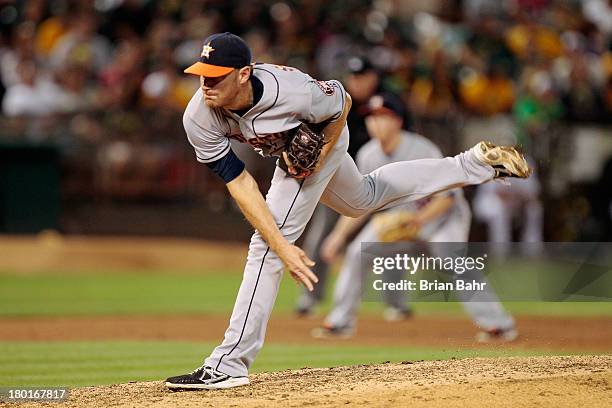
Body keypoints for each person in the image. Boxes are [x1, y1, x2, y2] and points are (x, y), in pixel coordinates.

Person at [165, 32, 530, 390]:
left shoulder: (291, 91)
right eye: (201, 73)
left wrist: (320, 155)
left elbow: (342, 102)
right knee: (363, 199)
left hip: (324, 141)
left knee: (264, 251)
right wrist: (283, 242)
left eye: (215, 76)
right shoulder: (198, 116)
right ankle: (473, 165)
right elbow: (240, 183)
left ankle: (228, 364)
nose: (204, 84)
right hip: (296, 156)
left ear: (244, 73)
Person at [311, 92, 517, 342]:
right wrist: (338, 236)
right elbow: (359, 204)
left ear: (398, 121)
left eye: (383, 117)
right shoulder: (368, 154)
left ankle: (498, 324)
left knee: (452, 260)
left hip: (443, 218)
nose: (375, 122)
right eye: (371, 117)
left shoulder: (421, 148)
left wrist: (418, 222)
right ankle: (341, 322)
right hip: (404, 219)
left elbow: (448, 197)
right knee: (357, 252)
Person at [295, 56, 385, 317]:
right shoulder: (339, 100)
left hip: (379, 180)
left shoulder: (389, 103)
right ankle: (310, 298)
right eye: (353, 76)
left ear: (373, 78)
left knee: (387, 237)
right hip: (340, 180)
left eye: (362, 76)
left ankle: (394, 304)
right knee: (321, 237)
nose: (356, 82)